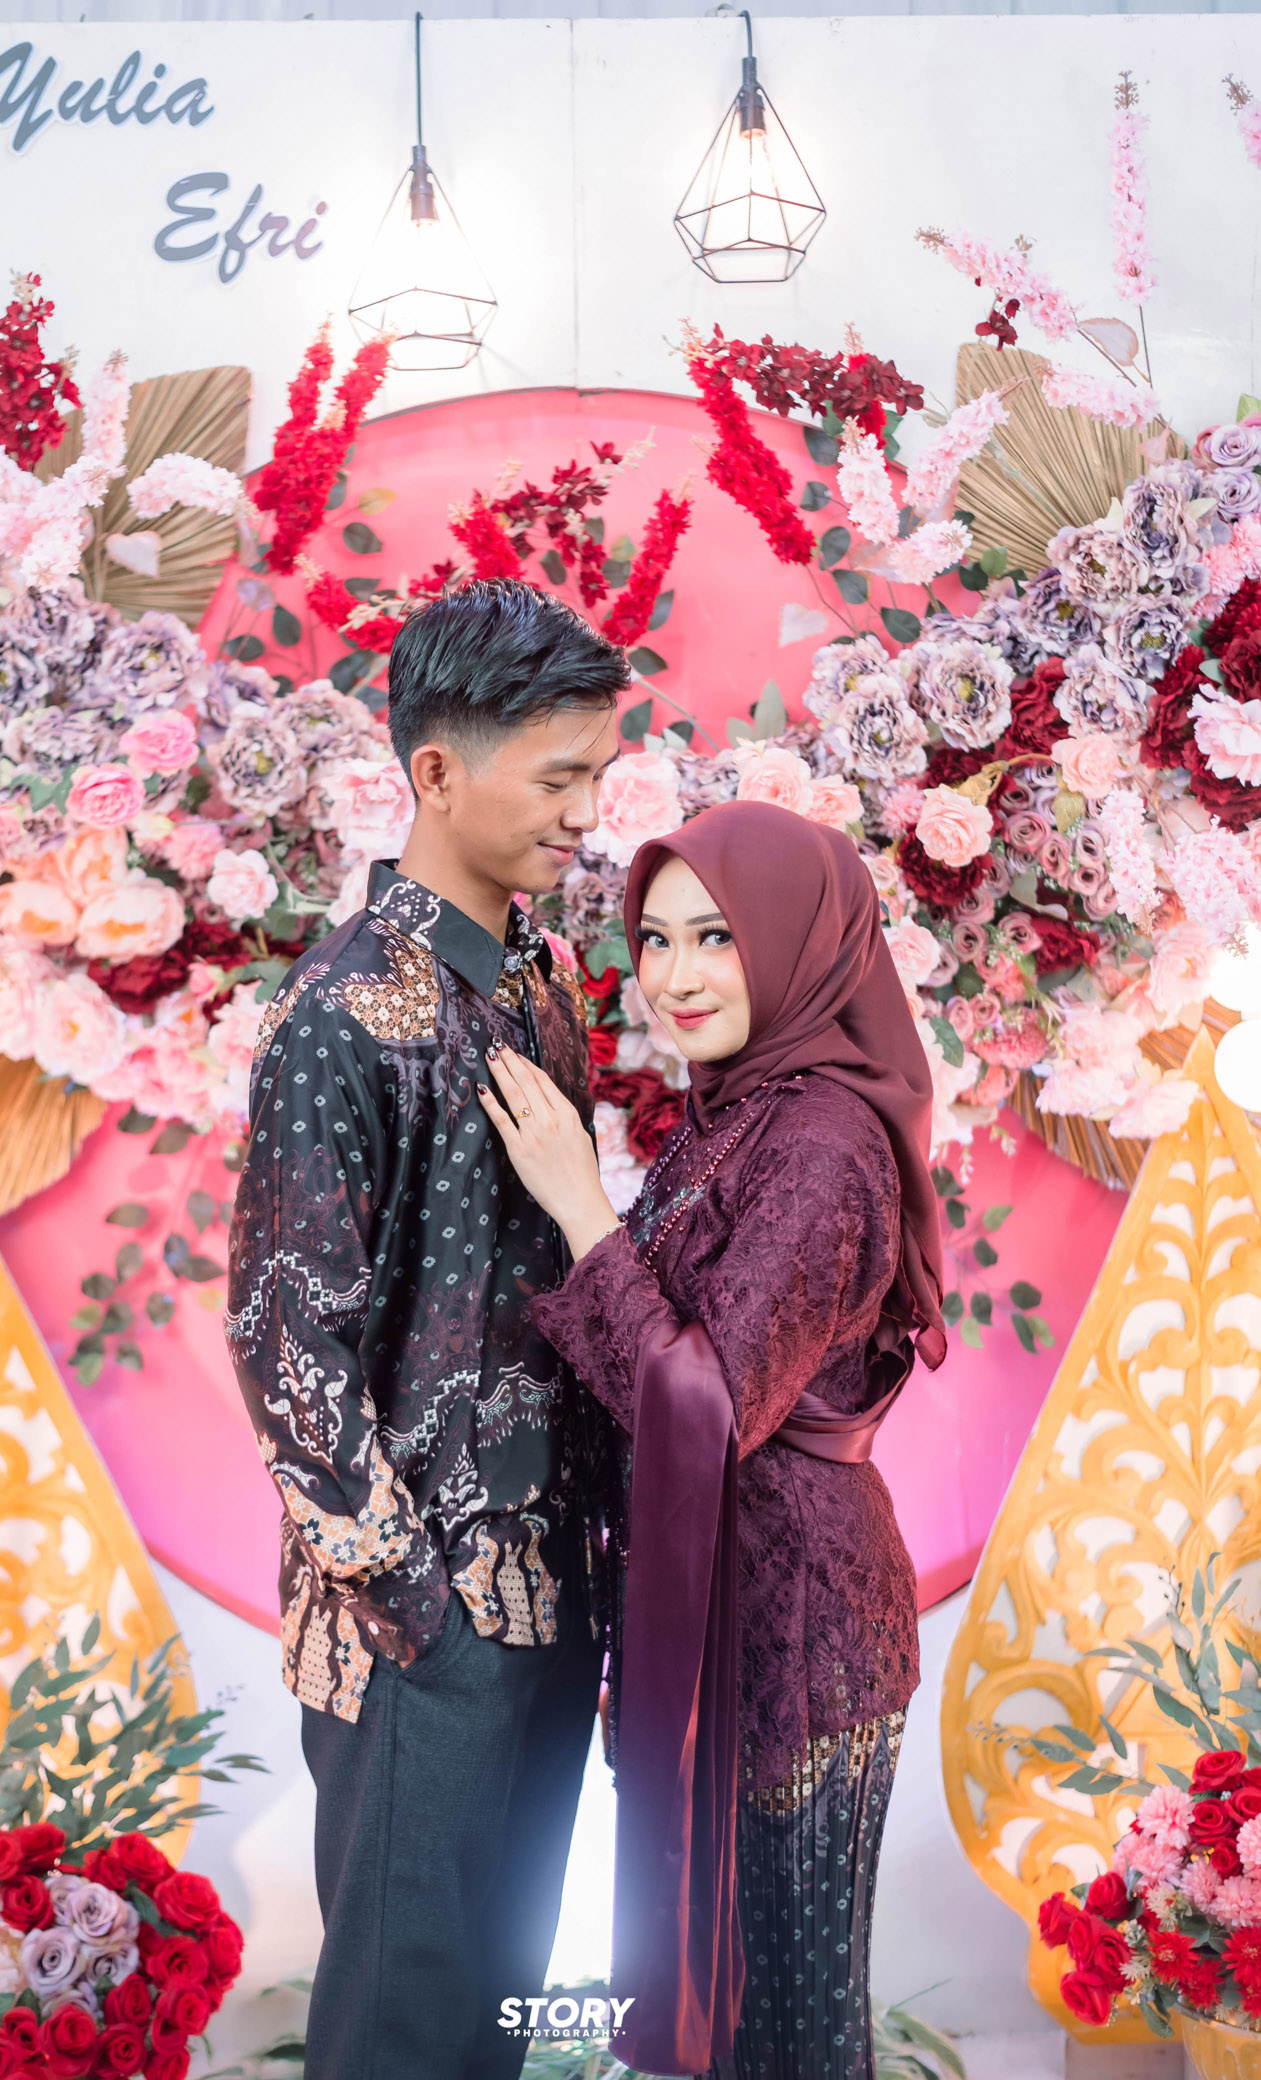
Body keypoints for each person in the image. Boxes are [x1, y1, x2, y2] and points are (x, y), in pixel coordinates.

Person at [225, 578, 632, 2080]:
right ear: (438, 771)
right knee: (401, 2032)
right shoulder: (338, 1015)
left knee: (497, 2022)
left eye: (599, 774)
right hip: (421, 1625)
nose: (586, 814)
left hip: (552, 1593)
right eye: (560, 777)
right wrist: (419, 1607)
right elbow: (284, 1342)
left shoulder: (537, 990)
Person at [478, 799, 947, 2080]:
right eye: (658, 938)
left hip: (793, 1632)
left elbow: (709, 1404)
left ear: (798, 939)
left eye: (717, 937)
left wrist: (581, 1204)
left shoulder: (821, 1143)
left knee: (786, 2032)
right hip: (725, 1610)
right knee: (737, 2026)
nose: (676, 976)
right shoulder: (740, 1110)